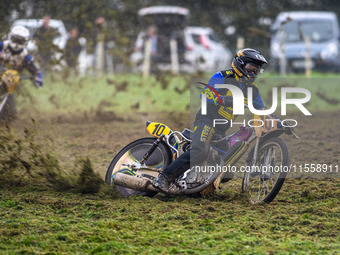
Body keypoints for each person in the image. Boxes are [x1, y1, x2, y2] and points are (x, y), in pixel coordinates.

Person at [153, 48, 268, 193]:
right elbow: (206, 94)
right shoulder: (222, 76)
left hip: (221, 130)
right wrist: (224, 99)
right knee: (200, 151)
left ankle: (196, 185)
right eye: (250, 68)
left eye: (256, 70)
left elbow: (263, 110)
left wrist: (279, 122)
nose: (253, 73)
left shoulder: (253, 90)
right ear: (239, 64)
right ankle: (164, 177)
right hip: (206, 121)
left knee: (226, 173)